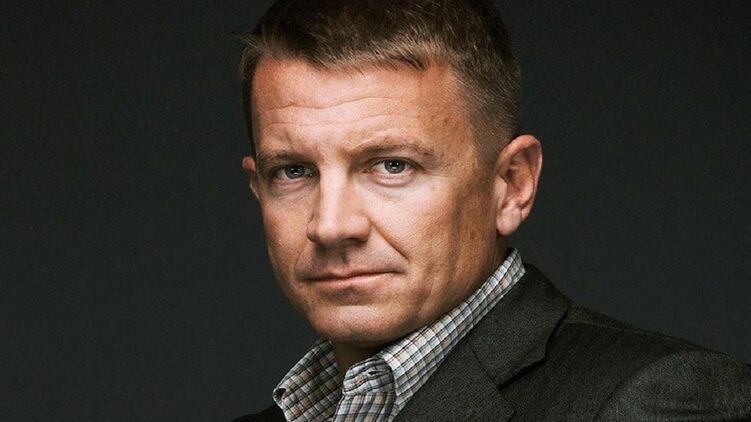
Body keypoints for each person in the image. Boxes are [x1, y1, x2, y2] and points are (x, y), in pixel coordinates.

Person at [233, 1, 751, 421]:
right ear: (258, 188)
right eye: (294, 171)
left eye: (393, 166)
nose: (330, 225)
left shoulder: (657, 399)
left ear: (512, 185)